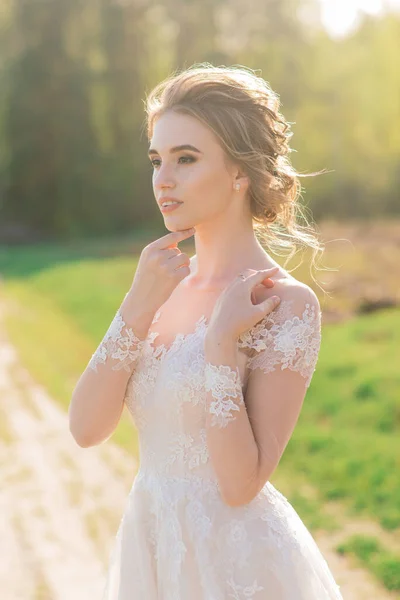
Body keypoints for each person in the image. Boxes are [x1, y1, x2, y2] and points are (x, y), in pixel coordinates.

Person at [69, 63, 343, 599]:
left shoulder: (285, 305)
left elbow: (241, 485)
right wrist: (136, 305)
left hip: (238, 568)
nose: (162, 180)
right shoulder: (159, 287)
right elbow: (85, 428)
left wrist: (221, 346)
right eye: (156, 160)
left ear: (239, 172)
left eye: (186, 159)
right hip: (151, 547)